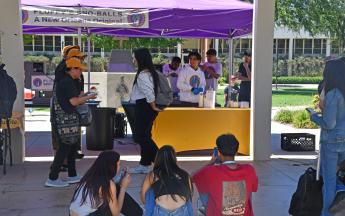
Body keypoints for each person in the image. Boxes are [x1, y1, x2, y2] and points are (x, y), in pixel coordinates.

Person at [46, 58, 96, 187]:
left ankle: (72, 174)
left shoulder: (66, 81)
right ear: (72, 69)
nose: (81, 72)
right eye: (79, 69)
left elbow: (73, 98)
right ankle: (52, 178)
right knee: (65, 147)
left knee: (72, 146)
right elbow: (74, 102)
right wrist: (89, 97)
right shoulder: (67, 82)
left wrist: (86, 95)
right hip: (65, 120)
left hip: (67, 118)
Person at [309, 58, 345, 216]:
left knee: (329, 181)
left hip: (331, 142)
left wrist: (314, 116)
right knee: (337, 175)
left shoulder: (333, 93)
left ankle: (327, 213)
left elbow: (329, 123)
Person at [193, 134, 258, 216]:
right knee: (247, 187)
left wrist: (211, 162)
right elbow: (254, 188)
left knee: (203, 190)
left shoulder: (209, 172)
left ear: (219, 153)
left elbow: (191, 179)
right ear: (236, 152)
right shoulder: (249, 169)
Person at [70, 150, 143, 216]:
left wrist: (119, 182)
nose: (119, 167)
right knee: (117, 191)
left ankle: (137, 212)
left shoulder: (89, 176)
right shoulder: (109, 184)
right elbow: (116, 214)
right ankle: (137, 213)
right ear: (112, 167)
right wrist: (123, 187)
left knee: (115, 190)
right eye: (118, 164)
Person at [129, 48, 162, 174]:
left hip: (145, 106)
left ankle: (163, 163)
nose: (133, 60)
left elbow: (149, 93)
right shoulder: (151, 72)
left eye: (134, 57)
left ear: (140, 59)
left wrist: (153, 106)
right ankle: (145, 163)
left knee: (141, 136)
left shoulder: (143, 74)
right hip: (147, 106)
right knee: (145, 136)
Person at [141, 145, 194, 216]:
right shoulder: (184, 174)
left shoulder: (153, 175)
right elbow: (189, 195)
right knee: (187, 196)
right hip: (182, 211)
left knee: (150, 192)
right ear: (174, 158)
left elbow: (144, 198)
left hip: (161, 211)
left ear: (158, 158)